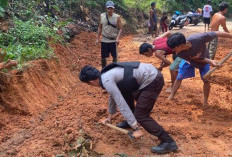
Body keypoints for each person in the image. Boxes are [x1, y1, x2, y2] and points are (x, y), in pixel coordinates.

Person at [79, 62, 178, 154]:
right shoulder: (104, 75)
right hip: (148, 74)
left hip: (152, 79)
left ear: (91, 82)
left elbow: (121, 104)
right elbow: (112, 96)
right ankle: (130, 122)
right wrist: (109, 116)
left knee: (141, 116)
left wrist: (136, 128)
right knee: (125, 93)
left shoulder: (106, 80)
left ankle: (168, 142)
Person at [167, 31, 232, 106]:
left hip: (204, 60)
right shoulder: (180, 53)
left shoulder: (198, 38)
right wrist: (210, 61)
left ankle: (205, 101)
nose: (173, 51)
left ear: (181, 45)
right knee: (179, 77)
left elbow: (217, 33)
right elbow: (194, 59)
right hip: (191, 61)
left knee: (206, 80)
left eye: (174, 48)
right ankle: (171, 96)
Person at [96, 1, 123, 68]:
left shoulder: (117, 17)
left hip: (113, 41)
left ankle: (114, 70)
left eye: (111, 8)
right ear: (106, 8)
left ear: (113, 9)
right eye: (109, 8)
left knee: (115, 57)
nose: (110, 10)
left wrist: (117, 38)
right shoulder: (102, 16)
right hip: (104, 40)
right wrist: (97, 38)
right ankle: (104, 70)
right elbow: (100, 27)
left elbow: (120, 29)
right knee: (103, 58)